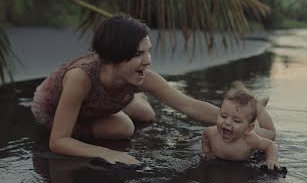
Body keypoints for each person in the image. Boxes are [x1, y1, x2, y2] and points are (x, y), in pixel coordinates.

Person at [32, 13, 222, 166]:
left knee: (147, 114)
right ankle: (125, 102)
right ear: (115, 56)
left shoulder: (139, 75)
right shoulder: (80, 78)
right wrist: (105, 153)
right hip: (55, 111)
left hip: (98, 104)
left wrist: (238, 123)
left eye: (148, 51)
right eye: (139, 54)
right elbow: (58, 141)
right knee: (124, 128)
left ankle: (131, 101)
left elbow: (190, 106)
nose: (148, 60)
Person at [201, 82, 280, 170]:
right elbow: (205, 136)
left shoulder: (250, 140)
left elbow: (270, 145)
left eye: (236, 121)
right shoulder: (211, 133)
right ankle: (252, 102)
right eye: (223, 116)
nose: (227, 122)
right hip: (245, 123)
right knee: (248, 112)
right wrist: (207, 151)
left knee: (271, 134)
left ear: (248, 129)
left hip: (254, 131)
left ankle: (259, 106)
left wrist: (271, 160)